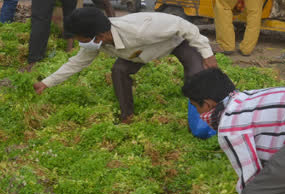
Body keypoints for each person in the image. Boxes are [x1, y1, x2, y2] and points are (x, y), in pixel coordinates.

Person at [33, 8, 218, 124]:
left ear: (100, 36)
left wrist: (207, 54)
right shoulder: (99, 41)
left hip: (175, 42)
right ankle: (127, 115)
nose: (81, 43)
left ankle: (205, 118)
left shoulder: (140, 29)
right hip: (138, 54)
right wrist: (46, 83)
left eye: (82, 39)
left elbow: (184, 26)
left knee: (196, 77)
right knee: (119, 70)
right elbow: (76, 63)